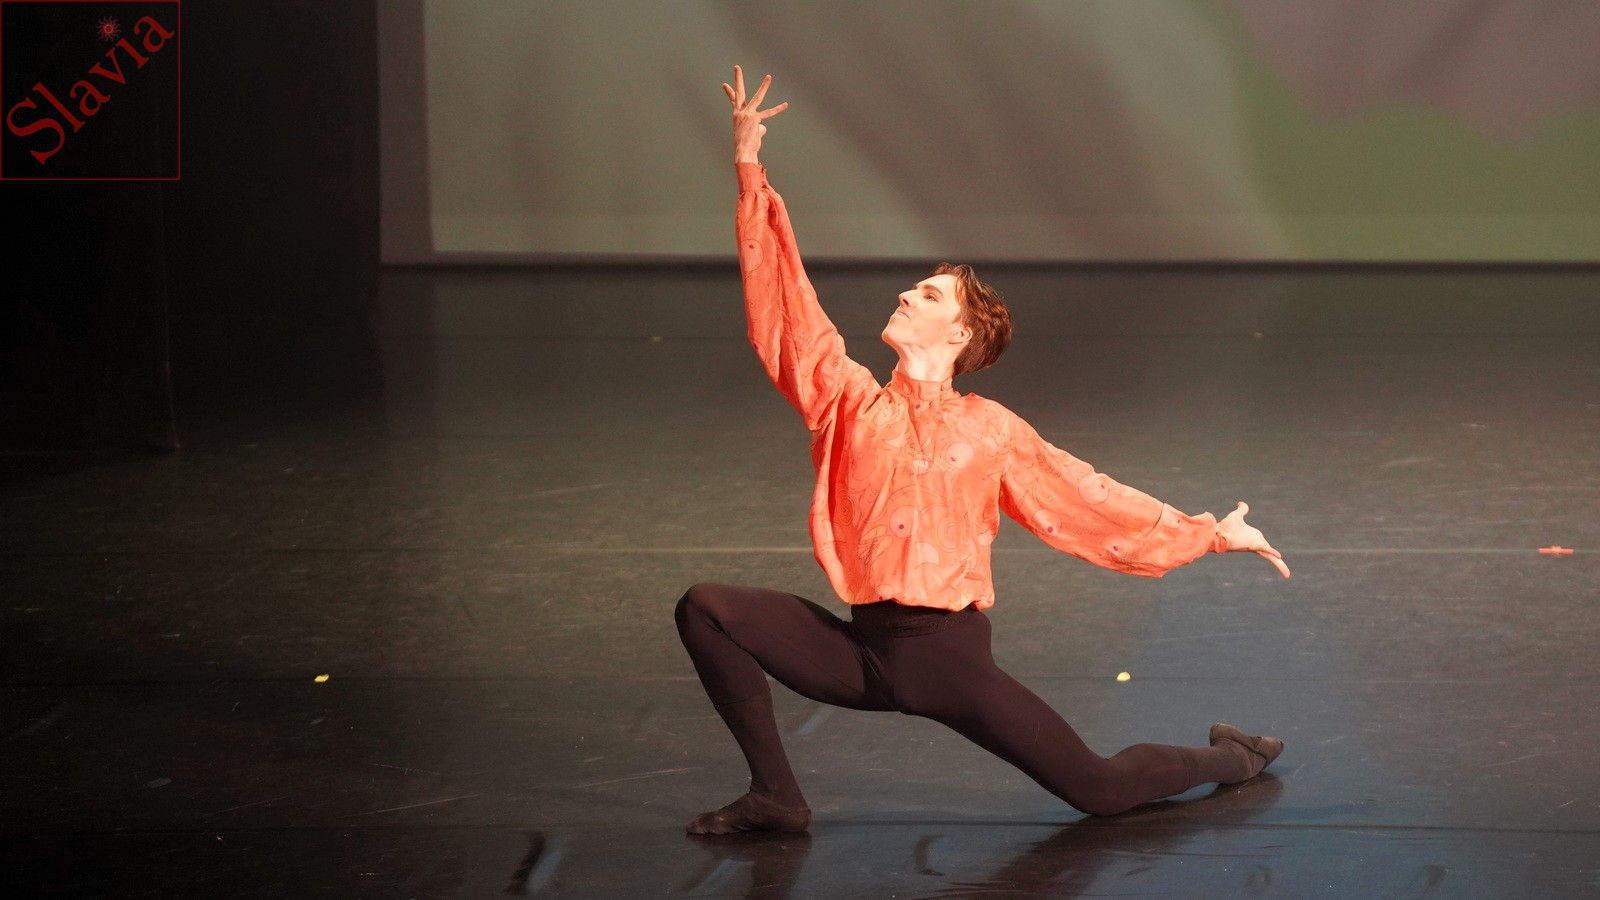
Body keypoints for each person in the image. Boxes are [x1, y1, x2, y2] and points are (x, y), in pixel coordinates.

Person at [675, 66, 1291, 836]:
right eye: (913, 287)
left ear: (961, 334)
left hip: (948, 663)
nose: (906, 295)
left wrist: (1210, 534)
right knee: (707, 610)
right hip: (862, 651)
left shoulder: (988, 429)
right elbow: (785, 312)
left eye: (929, 295)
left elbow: (1086, 498)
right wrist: (749, 169)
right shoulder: (849, 400)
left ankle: (1232, 758)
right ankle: (777, 797)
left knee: (1101, 790)